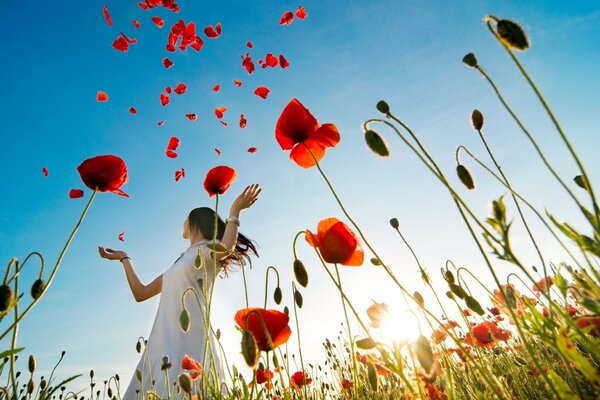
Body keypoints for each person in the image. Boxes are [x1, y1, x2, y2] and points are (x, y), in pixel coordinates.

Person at [98, 184, 261, 399]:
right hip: (161, 341)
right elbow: (141, 293)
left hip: (191, 340)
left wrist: (234, 212)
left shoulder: (208, 249)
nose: (183, 222)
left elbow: (227, 248)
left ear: (195, 222)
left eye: (186, 218)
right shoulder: (178, 263)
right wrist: (124, 258)